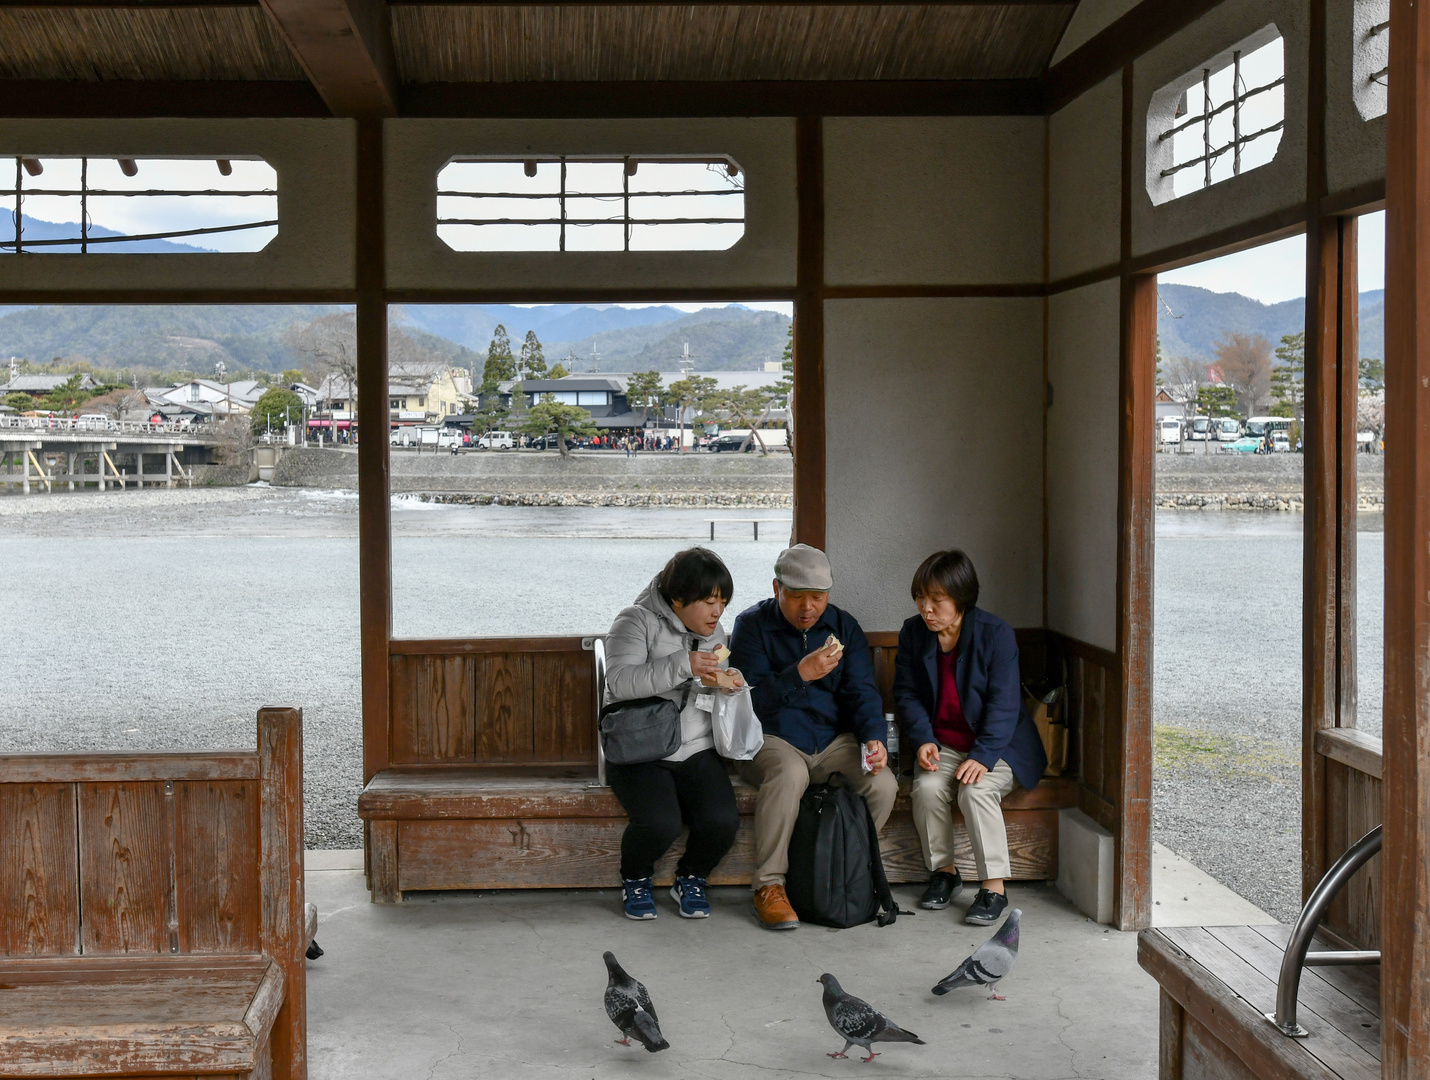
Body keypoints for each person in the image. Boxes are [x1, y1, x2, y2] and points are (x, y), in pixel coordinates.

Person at [728, 544, 895, 930]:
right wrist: (798, 674)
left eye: (817, 598)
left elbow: (863, 693)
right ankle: (769, 885)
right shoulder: (752, 625)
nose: (808, 607)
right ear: (776, 589)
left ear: (828, 596)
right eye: (797, 596)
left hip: (834, 741)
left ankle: (842, 868)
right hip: (770, 739)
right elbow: (745, 704)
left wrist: (873, 739)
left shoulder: (844, 627)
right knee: (790, 774)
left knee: (882, 784)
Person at [894, 549, 1047, 926]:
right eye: (920, 597)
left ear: (961, 600)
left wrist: (982, 756)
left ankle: (993, 887)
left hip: (1000, 746)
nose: (925, 608)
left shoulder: (996, 635)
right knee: (927, 788)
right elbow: (907, 693)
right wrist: (924, 738)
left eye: (936, 600)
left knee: (975, 790)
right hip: (943, 744)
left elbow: (1005, 704)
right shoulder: (914, 633)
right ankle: (945, 873)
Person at [603, 547, 743, 921]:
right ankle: (635, 877)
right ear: (678, 599)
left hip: (695, 746)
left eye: (723, 602)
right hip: (639, 747)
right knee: (659, 822)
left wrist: (727, 685)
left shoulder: (717, 634)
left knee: (723, 821)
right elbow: (619, 681)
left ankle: (692, 877)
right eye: (709, 602)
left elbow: (710, 689)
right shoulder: (634, 621)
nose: (718, 612)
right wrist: (683, 664)